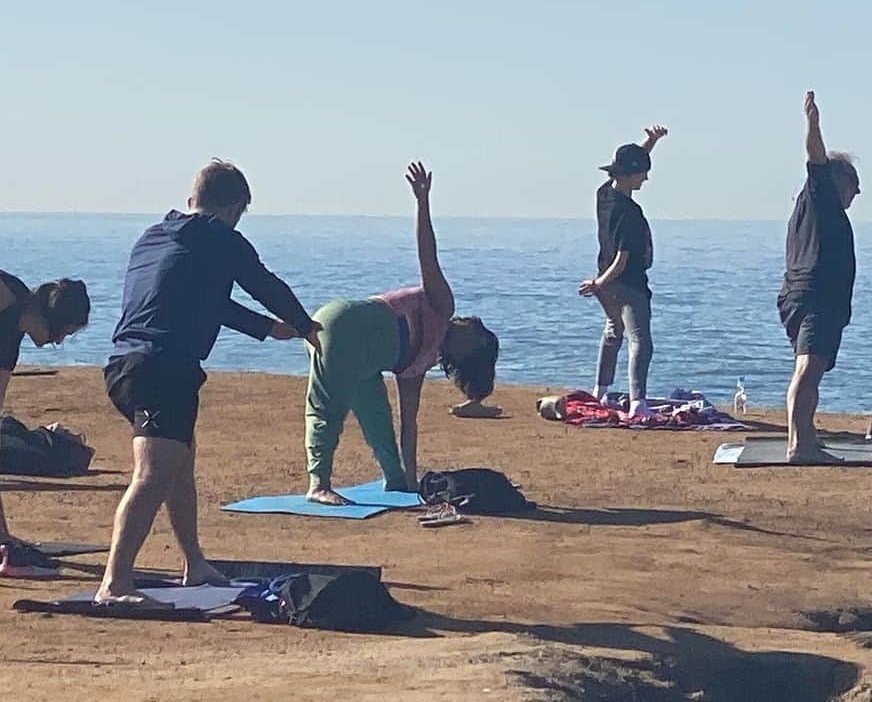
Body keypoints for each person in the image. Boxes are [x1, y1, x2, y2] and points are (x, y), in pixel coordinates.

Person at [95, 160, 321, 605]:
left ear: (191, 200)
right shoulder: (221, 238)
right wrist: (304, 324)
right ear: (235, 207)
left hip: (126, 364)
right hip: (164, 369)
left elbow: (199, 301)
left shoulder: (154, 237)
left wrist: (267, 328)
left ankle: (194, 565)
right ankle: (115, 583)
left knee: (179, 465)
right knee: (154, 473)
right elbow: (263, 283)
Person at [304, 161, 499, 505]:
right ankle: (318, 484)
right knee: (327, 408)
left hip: (363, 358)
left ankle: (395, 480)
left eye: (477, 334)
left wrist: (412, 480)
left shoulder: (416, 367)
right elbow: (428, 256)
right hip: (343, 325)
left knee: (378, 417)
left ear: (469, 354)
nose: (472, 323)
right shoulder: (442, 307)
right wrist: (423, 203)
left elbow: (409, 426)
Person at [777, 91, 861, 463]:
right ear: (837, 180)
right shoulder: (820, 192)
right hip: (814, 298)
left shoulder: (811, 207)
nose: (855, 194)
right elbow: (815, 158)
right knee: (808, 369)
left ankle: (806, 435)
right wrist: (813, 122)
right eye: (853, 186)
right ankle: (800, 445)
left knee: (811, 367)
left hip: (809, 296)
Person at [579, 126, 667, 419]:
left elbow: (630, 162)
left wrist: (650, 143)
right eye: (643, 172)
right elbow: (623, 258)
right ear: (630, 174)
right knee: (640, 339)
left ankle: (600, 391)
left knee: (613, 332)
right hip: (625, 283)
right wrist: (598, 283)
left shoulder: (603, 195)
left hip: (606, 284)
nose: (647, 177)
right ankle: (637, 402)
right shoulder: (629, 212)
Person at [0, 274, 90, 544]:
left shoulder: (10, 337)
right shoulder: (8, 296)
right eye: (62, 333)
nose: (59, 342)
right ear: (50, 319)